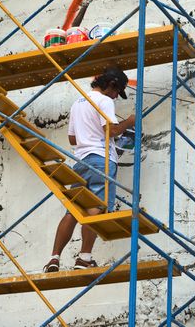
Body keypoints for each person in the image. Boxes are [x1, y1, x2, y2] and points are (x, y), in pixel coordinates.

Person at [43, 67, 135, 272]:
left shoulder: (78, 103)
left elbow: (72, 139)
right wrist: (128, 122)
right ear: (111, 85)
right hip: (102, 159)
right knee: (96, 207)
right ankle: (84, 257)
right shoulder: (105, 101)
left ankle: (54, 258)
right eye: (116, 91)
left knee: (74, 210)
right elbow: (111, 130)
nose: (115, 97)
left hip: (81, 162)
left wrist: (91, 136)